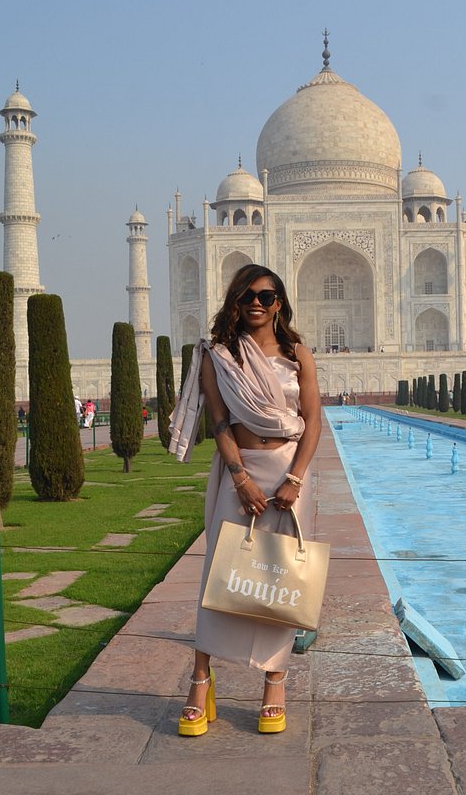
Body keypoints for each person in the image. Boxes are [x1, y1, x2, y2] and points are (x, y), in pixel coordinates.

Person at [169, 264, 322, 738]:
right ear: (234, 301)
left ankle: (275, 682)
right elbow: (218, 422)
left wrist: (294, 477)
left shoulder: (299, 354)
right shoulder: (220, 355)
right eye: (247, 295)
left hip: (289, 475)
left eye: (266, 295)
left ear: (280, 304)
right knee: (220, 573)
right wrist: (239, 477)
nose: (257, 303)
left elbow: (313, 421)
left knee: (280, 580)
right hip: (241, 472)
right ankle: (200, 680)